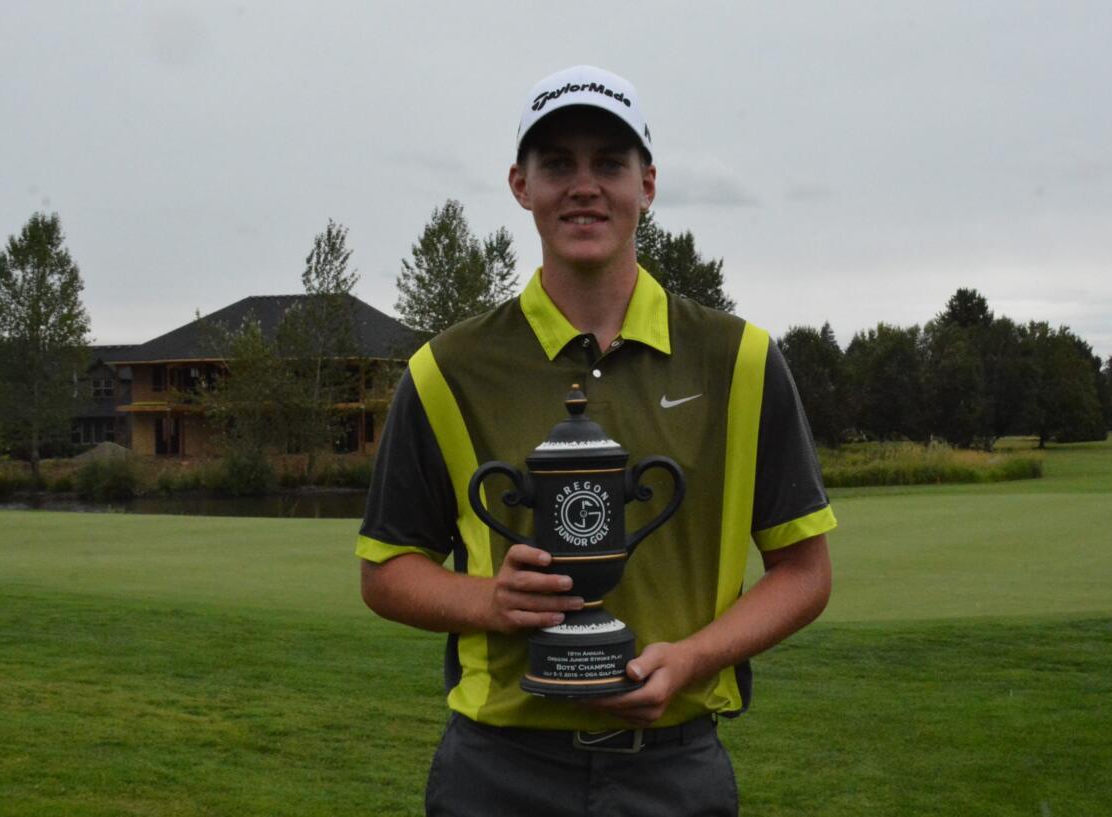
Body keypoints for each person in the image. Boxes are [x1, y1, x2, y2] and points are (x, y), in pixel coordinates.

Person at [357, 65, 836, 817]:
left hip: (675, 768)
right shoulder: (444, 369)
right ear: (521, 184)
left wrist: (694, 659)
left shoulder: (740, 358)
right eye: (558, 164)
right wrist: (490, 599)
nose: (585, 186)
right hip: (499, 770)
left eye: (610, 163)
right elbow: (385, 570)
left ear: (648, 183)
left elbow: (805, 572)